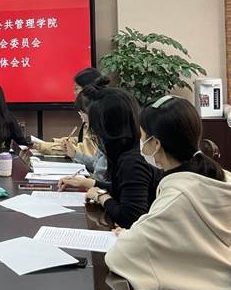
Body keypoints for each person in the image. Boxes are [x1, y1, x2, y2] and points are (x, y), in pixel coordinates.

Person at [105, 96, 231, 290]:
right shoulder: (213, 181)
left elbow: (120, 258)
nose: (140, 143)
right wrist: (137, 233)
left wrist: (130, 236)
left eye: (143, 137)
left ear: (156, 144)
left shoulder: (178, 197)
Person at [59, 86, 161, 228]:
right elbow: (124, 189)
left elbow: (130, 218)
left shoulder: (132, 160)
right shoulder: (130, 150)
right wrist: (89, 183)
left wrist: (101, 196)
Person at [36, 68, 107, 155]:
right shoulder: (93, 109)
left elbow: (87, 153)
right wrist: (60, 142)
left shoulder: (98, 115)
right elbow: (83, 142)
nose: (74, 92)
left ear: (88, 89)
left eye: (76, 89)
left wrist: (47, 147)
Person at [62, 87, 109, 184]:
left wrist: (86, 183)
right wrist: (75, 154)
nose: (82, 119)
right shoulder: (103, 135)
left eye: (82, 114)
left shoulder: (109, 137)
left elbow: (101, 181)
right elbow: (96, 164)